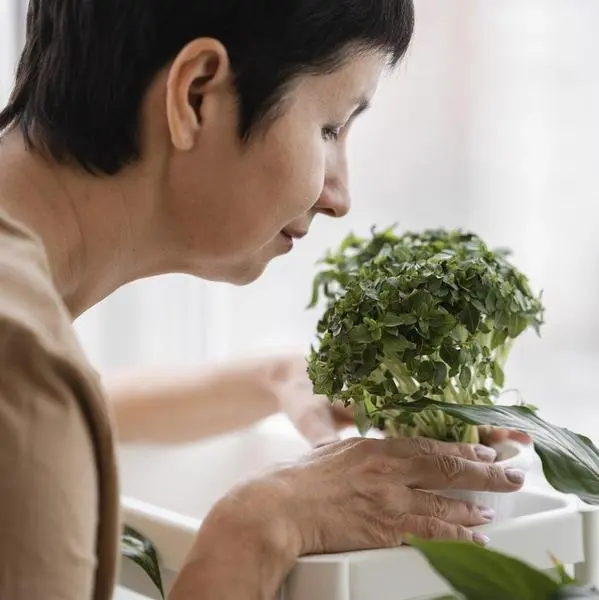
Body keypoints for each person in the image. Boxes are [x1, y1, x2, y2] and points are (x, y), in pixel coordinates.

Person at [0, 1, 528, 599]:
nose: (340, 197)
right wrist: (260, 529)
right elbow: (37, 405)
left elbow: (74, 409)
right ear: (196, 94)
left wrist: (270, 379)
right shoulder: (21, 364)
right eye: (330, 127)